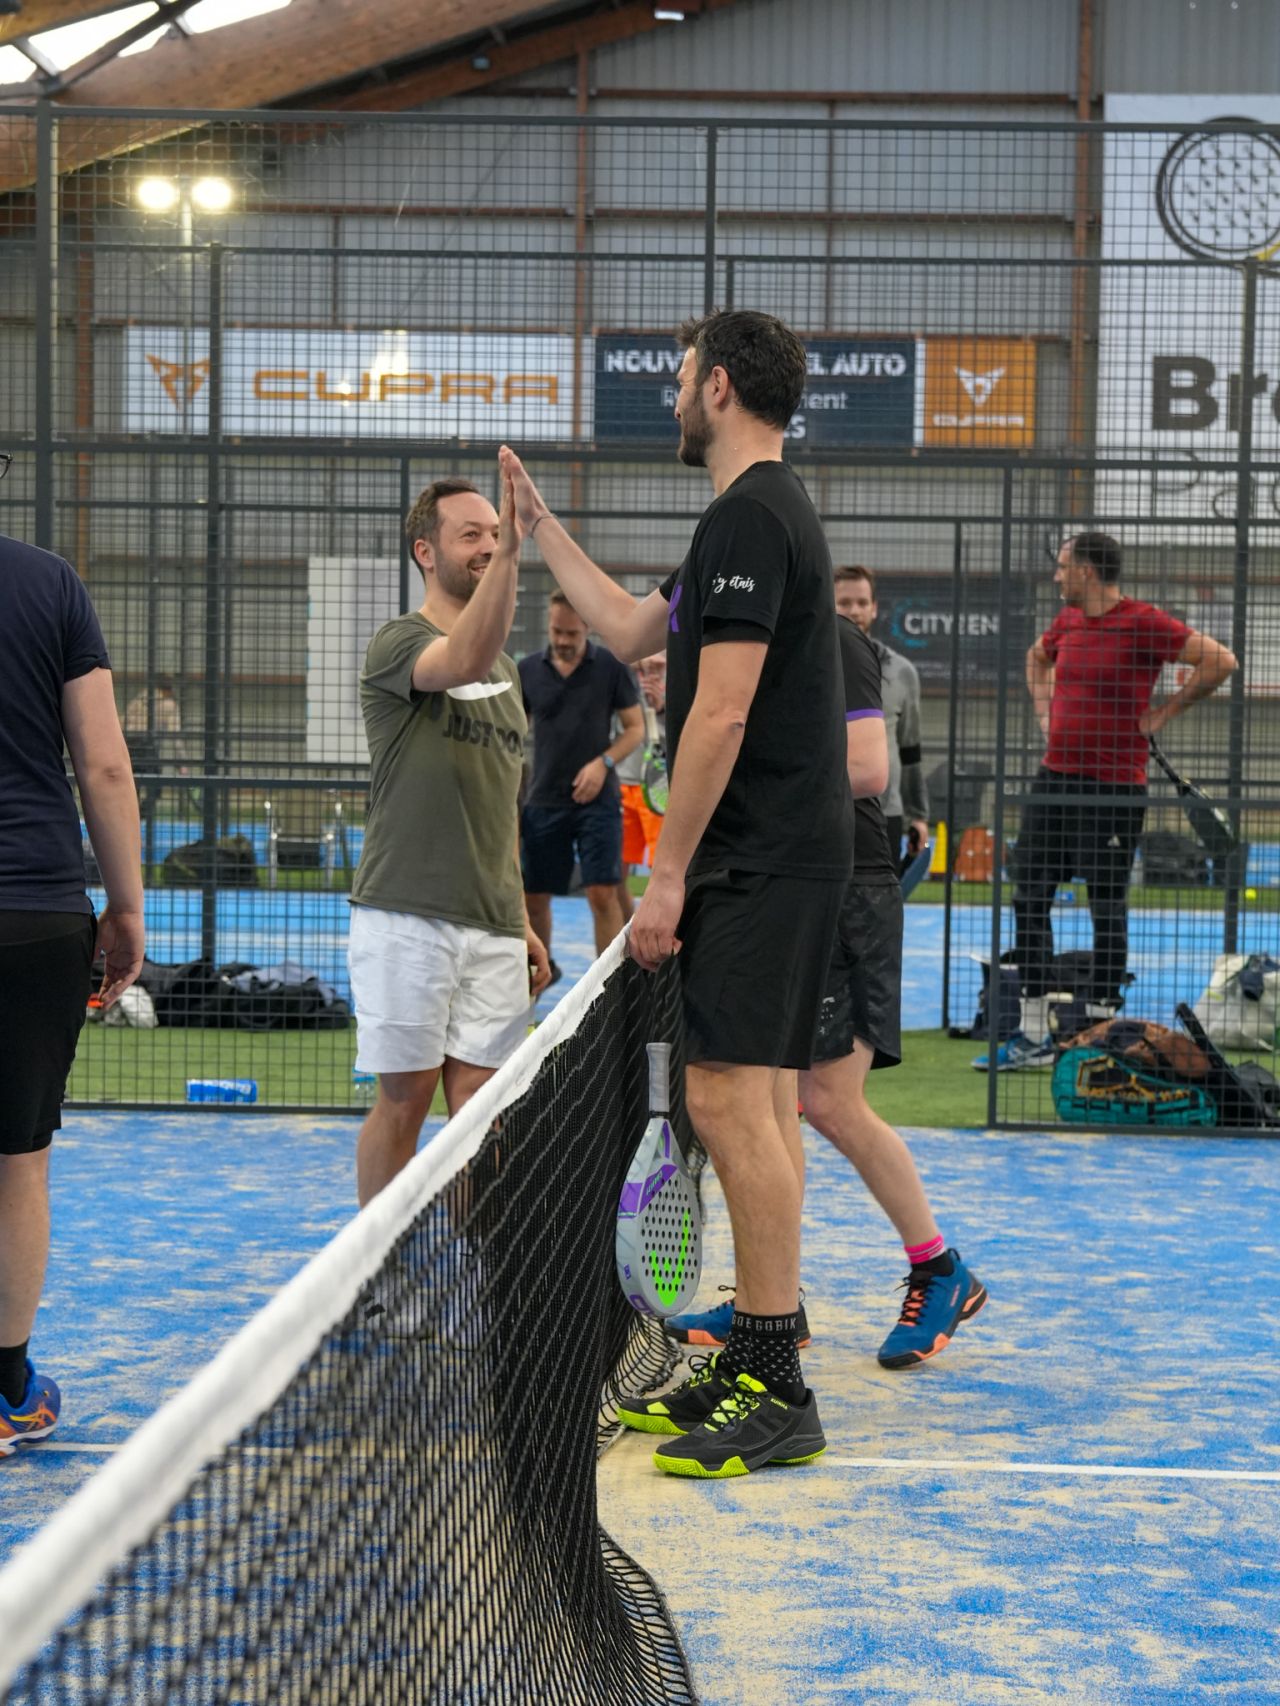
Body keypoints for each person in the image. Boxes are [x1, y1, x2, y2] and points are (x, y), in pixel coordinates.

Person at [500, 305, 854, 1480]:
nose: (670, 393)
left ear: (715, 386)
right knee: (747, 1100)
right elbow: (630, 622)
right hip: (771, 857)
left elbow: (718, 709)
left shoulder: (753, 515)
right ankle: (761, 1342)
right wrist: (542, 526)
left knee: (724, 1099)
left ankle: (776, 1381)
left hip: (760, 858)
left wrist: (664, 873)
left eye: (679, 375)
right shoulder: (735, 521)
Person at [668, 606, 988, 1368]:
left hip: (853, 888)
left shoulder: (832, 638)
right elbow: (626, 624)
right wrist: (537, 535)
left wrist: (748, 772)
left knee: (829, 1101)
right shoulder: (751, 645)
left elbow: (871, 769)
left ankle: (939, 1269)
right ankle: (773, 1302)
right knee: (776, 1096)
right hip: (799, 885)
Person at [348, 475, 551, 1211]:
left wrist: (520, 916)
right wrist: (518, 554)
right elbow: (458, 660)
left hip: (492, 924)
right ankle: (380, 1279)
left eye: (497, 534)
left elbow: (502, 806)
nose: (490, 546)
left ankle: (471, 1276)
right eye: (474, 534)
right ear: (425, 551)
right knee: (403, 1102)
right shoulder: (401, 641)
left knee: (483, 1112)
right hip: (407, 915)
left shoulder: (507, 672)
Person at [0, 490, 146, 1456]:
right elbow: (101, 766)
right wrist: (126, 907)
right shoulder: (50, 584)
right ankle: (7, 1387)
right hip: (35, 912)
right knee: (19, 1161)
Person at [981, 531, 1237, 1071]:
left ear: (1088, 572)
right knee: (1029, 897)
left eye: (1063, 567)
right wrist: (1045, 713)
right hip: (1053, 782)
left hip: (1115, 789)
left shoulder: (1143, 621)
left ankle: (1098, 1033)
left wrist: (1163, 715)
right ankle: (1031, 1034)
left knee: (1106, 905)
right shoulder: (1068, 622)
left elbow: (1220, 661)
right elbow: (1035, 659)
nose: (1056, 576)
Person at [518, 593, 643, 960]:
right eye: (557, 631)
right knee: (534, 897)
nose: (563, 641)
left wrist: (602, 764)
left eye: (571, 633)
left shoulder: (611, 667)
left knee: (603, 892)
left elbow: (635, 729)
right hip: (544, 797)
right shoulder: (527, 671)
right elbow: (513, 729)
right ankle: (537, 985)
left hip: (598, 800)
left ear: (587, 627)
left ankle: (608, 993)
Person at [834, 565, 929, 862]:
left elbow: (910, 749)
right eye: (844, 603)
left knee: (879, 907)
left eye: (862, 603)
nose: (854, 610)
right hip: (823, 811)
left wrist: (919, 816)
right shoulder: (808, 667)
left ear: (874, 609)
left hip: (883, 814)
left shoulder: (902, 672)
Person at [615, 652, 667, 924]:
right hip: (623, 781)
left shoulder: (684, 668)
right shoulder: (622, 673)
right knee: (615, 873)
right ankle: (628, 940)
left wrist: (660, 708)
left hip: (658, 789)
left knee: (661, 870)